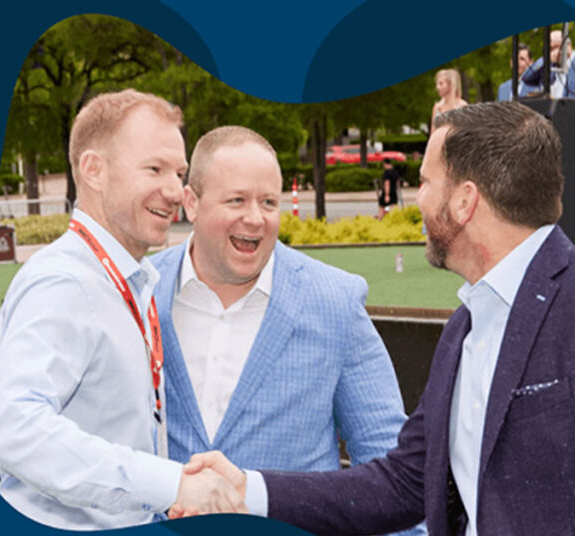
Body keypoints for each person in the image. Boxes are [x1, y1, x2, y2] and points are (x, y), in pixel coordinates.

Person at [185, 101, 575, 535]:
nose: (418, 197)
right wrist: (248, 490)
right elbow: (404, 483)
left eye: (424, 182)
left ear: (465, 201)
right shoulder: (463, 330)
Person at [0, 89, 244, 530]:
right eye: (154, 168)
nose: (175, 190)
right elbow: (12, 429)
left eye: (179, 172)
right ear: (94, 170)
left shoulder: (125, 280)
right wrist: (170, 484)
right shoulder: (66, 282)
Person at [151, 126, 423, 535]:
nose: (255, 219)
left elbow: (389, 469)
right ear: (191, 202)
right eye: (236, 200)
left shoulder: (334, 300)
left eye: (268, 202)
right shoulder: (140, 293)